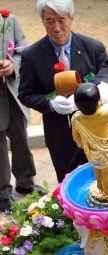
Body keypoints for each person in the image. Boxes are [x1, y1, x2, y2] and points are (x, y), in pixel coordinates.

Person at [18, 0, 108, 183]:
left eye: (62, 20)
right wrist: (50, 104)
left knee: (102, 178)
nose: (56, 28)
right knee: (67, 181)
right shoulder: (31, 56)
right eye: (50, 21)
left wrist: (88, 96)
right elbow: (25, 94)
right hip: (58, 134)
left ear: (72, 18)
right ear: (42, 21)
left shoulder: (93, 48)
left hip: (94, 129)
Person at [0, 13, 43, 212]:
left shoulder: (9, 20)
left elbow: (22, 51)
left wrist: (12, 65)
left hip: (12, 90)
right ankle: (2, 192)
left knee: (20, 137)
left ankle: (26, 181)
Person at [72, 83, 108, 196]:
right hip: (105, 151)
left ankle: (99, 185)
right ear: (99, 102)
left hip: (90, 150)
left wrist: (81, 144)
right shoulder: (102, 116)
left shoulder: (77, 119)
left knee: (96, 168)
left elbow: (76, 137)